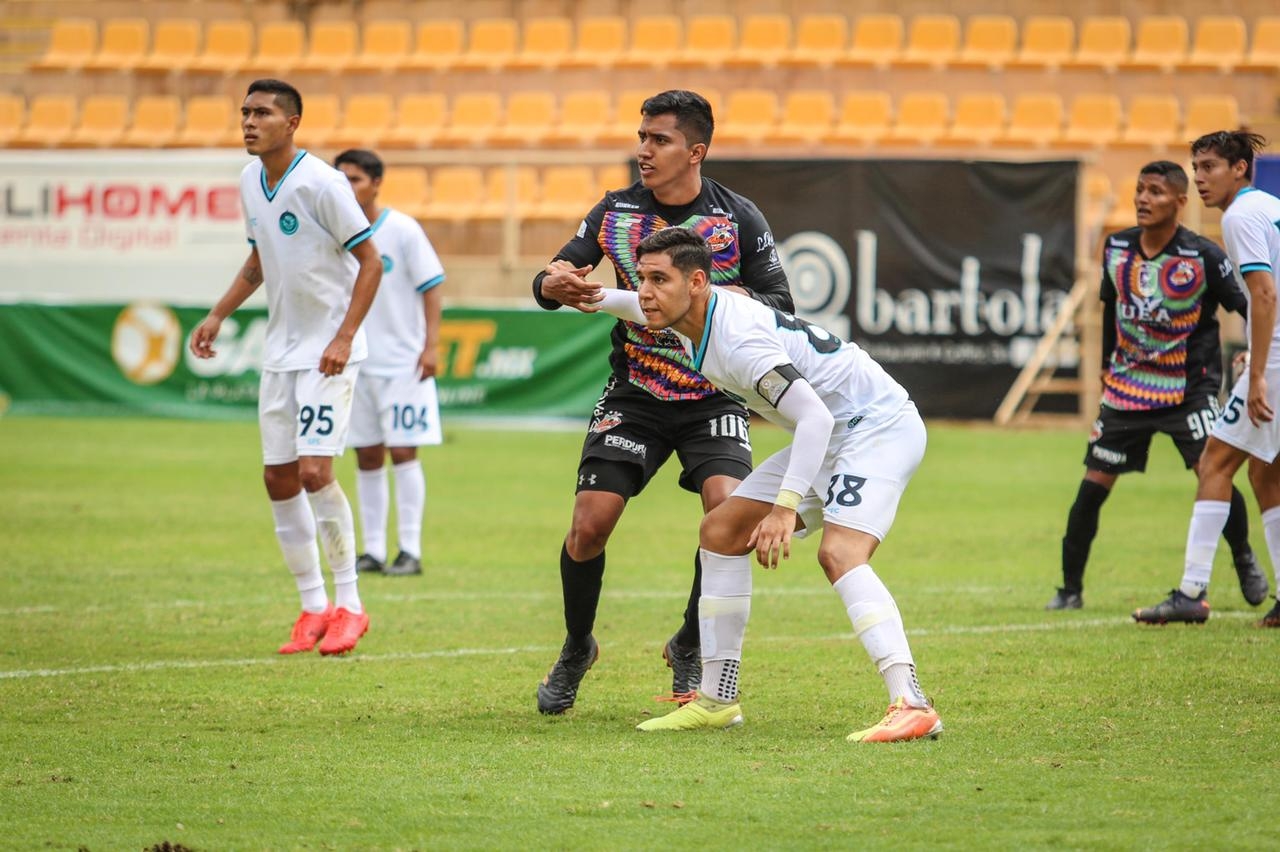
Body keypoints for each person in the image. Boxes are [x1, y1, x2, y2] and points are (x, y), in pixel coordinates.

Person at [579, 227, 940, 741]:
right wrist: (588, 296)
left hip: (874, 427)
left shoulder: (739, 340)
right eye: (642, 278)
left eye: (658, 279)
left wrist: (784, 508)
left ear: (698, 282)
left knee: (839, 553)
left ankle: (912, 701)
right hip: (833, 434)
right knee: (721, 531)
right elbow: (638, 308)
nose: (646, 291)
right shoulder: (687, 312)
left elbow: (813, 418)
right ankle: (717, 698)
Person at [531, 90, 793, 714]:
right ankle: (576, 647)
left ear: (695, 151)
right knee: (588, 526)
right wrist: (552, 283)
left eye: (659, 140)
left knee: (727, 516)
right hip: (636, 394)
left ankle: (690, 643)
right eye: (641, 137)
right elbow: (555, 275)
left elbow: (781, 307)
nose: (643, 150)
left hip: (715, 395)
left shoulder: (738, 219)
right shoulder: (615, 210)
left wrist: (707, 315)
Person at [190, 79, 381, 655]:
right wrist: (218, 314)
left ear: (292, 122)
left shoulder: (322, 183)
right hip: (281, 352)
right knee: (277, 477)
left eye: (263, 113)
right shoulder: (251, 180)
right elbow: (259, 258)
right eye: (245, 112)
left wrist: (345, 336)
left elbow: (370, 263)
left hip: (327, 352)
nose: (249, 121)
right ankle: (312, 606)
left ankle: (350, 605)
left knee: (315, 472)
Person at [1047, 161, 1265, 611]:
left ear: (1180, 202)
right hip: (1128, 390)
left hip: (1189, 390)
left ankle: (1244, 556)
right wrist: (1109, 363)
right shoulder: (1117, 247)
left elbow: (1248, 306)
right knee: (1092, 487)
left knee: (1213, 472)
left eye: (1156, 192)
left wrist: (1253, 351)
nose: (1144, 199)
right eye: (1140, 189)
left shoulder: (1204, 255)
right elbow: (1111, 309)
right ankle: (1069, 590)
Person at [1134, 131, 1280, 627]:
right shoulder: (1266, 205)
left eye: (1210, 166)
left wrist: (1258, 371)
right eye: (1195, 167)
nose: (1199, 177)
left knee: (1215, 460)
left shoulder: (1240, 216)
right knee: (1265, 470)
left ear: (1239, 168)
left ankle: (1193, 592)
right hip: (1275, 351)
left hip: (1278, 355)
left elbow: (1263, 296)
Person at [334, 149, 446, 578]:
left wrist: (430, 345)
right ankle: (373, 550)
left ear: (376, 183)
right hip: (356, 362)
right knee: (366, 455)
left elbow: (432, 287)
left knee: (402, 451)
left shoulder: (401, 229)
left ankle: (410, 549)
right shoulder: (334, 230)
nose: (346, 187)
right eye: (339, 178)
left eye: (355, 179)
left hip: (403, 363)